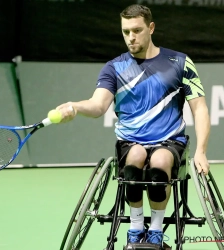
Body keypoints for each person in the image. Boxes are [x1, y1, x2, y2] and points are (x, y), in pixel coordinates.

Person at [55, 4, 210, 247]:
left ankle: (156, 229)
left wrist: (201, 150)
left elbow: (199, 108)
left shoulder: (180, 62)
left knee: (159, 162)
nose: (131, 37)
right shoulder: (114, 67)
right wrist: (75, 106)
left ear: (151, 28)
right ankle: (136, 226)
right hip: (131, 142)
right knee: (136, 155)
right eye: (126, 32)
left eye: (136, 30)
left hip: (170, 142)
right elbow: (98, 105)